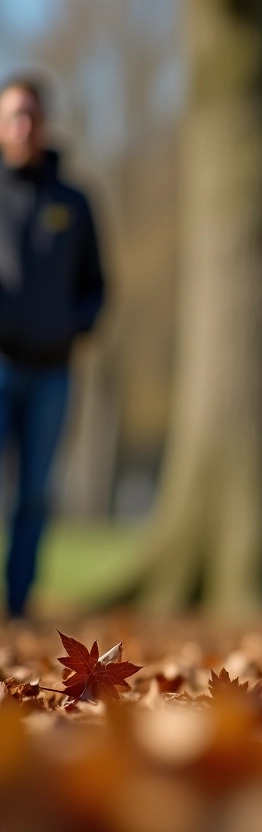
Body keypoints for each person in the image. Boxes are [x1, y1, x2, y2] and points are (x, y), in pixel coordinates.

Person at [0, 75, 105, 619]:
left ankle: (18, 602)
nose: (24, 125)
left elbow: (97, 284)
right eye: (14, 114)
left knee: (36, 494)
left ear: (44, 123)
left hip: (53, 373)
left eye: (31, 115)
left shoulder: (74, 202)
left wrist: (73, 325)